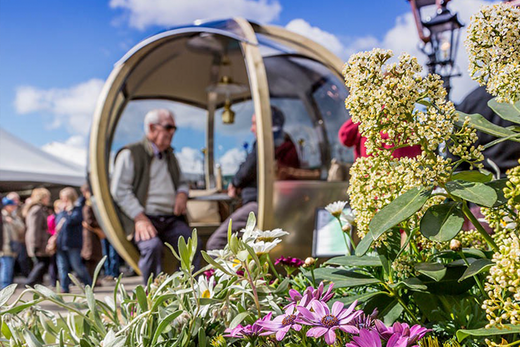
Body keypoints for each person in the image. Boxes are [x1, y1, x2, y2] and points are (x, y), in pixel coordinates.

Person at [111, 108, 200, 283]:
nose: (172, 132)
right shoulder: (131, 153)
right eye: (168, 127)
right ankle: (152, 298)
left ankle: (188, 291)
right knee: (152, 247)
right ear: (152, 128)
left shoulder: (171, 157)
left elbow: (182, 182)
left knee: (192, 244)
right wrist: (139, 217)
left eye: (174, 128)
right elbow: (119, 190)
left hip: (170, 218)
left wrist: (182, 193)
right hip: (145, 218)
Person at [206, 106, 300, 251]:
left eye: (255, 123)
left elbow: (247, 169)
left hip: (261, 204)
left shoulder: (267, 143)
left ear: (268, 124)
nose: (252, 129)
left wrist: (235, 183)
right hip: (274, 202)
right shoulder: (284, 142)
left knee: (215, 244)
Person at [56, 187, 92, 292]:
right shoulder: (63, 211)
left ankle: (88, 285)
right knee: (62, 267)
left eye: (65, 198)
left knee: (77, 266)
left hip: (73, 243)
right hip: (61, 243)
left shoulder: (77, 208)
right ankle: (64, 288)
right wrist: (63, 212)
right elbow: (58, 223)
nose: (63, 201)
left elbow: (71, 221)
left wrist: (65, 213)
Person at [338, 118, 422, 160]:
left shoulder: (368, 117)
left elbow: (345, 136)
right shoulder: (413, 125)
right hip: (410, 189)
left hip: (372, 186)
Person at [24, 188, 52, 286]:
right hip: (39, 242)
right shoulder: (37, 210)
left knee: (42, 263)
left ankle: (36, 284)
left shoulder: (40, 209)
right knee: (42, 264)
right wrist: (35, 244)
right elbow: (34, 228)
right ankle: (29, 282)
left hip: (40, 241)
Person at [80, 184, 105, 282]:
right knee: (91, 258)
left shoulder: (91, 206)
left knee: (95, 258)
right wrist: (100, 226)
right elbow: (89, 221)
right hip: (90, 236)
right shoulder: (87, 207)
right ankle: (90, 280)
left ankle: (93, 280)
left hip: (94, 235)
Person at [1, 197, 25, 288]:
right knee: (6, 268)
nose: (14, 208)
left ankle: (7, 287)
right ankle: (5, 288)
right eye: (11, 206)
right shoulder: (2, 217)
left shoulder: (14, 217)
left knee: (9, 268)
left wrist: (12, 222)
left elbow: (22, 228)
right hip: (5, 246)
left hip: (13, 245)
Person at [7, 192, 31, 277]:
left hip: (20, 238)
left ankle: (27, 277)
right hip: (8, 239)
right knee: (9, 260)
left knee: (22, 259)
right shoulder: (4, 210)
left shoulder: (22, 209)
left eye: (15, 199)